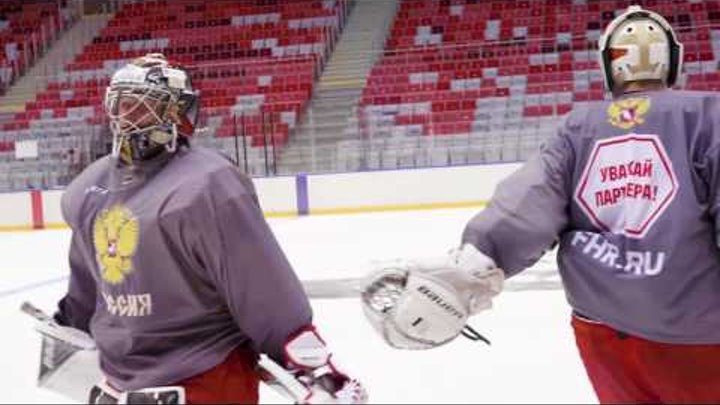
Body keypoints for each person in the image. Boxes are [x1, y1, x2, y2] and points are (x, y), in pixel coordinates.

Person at [359, 6, 720, 404]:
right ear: (672, 61)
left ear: (610, 65)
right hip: (700, 335)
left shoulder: (579, 127)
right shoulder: (708, 115)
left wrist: (473, 266)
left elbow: (528, 201)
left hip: (604, 335)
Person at [52, 53, 367, 404]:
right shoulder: (89, 187)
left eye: (143, 107)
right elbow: (87, 279)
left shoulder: (208, 185)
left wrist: (309, 362)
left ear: (176, 114)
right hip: (119, 378)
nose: (128, 118)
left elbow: (260, 285)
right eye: (123, 106)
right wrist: (69, 325)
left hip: (204, 374)